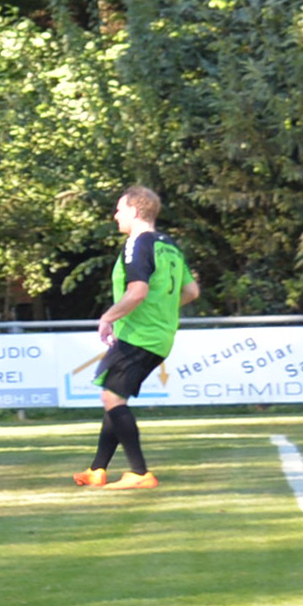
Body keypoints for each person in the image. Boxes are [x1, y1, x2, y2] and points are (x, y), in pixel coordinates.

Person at [80, 185, 197, 489]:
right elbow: (191, 291)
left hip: (138, 334)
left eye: (119, 209)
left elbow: (138, 292)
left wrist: (108, 317)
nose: (115, 215)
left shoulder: (138, 243)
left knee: (112, 397)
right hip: (160, 336)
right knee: (114, 395)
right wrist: (161, 311)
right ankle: (97, 469)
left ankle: (140, 473)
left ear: (133, 211)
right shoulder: (169, 246)